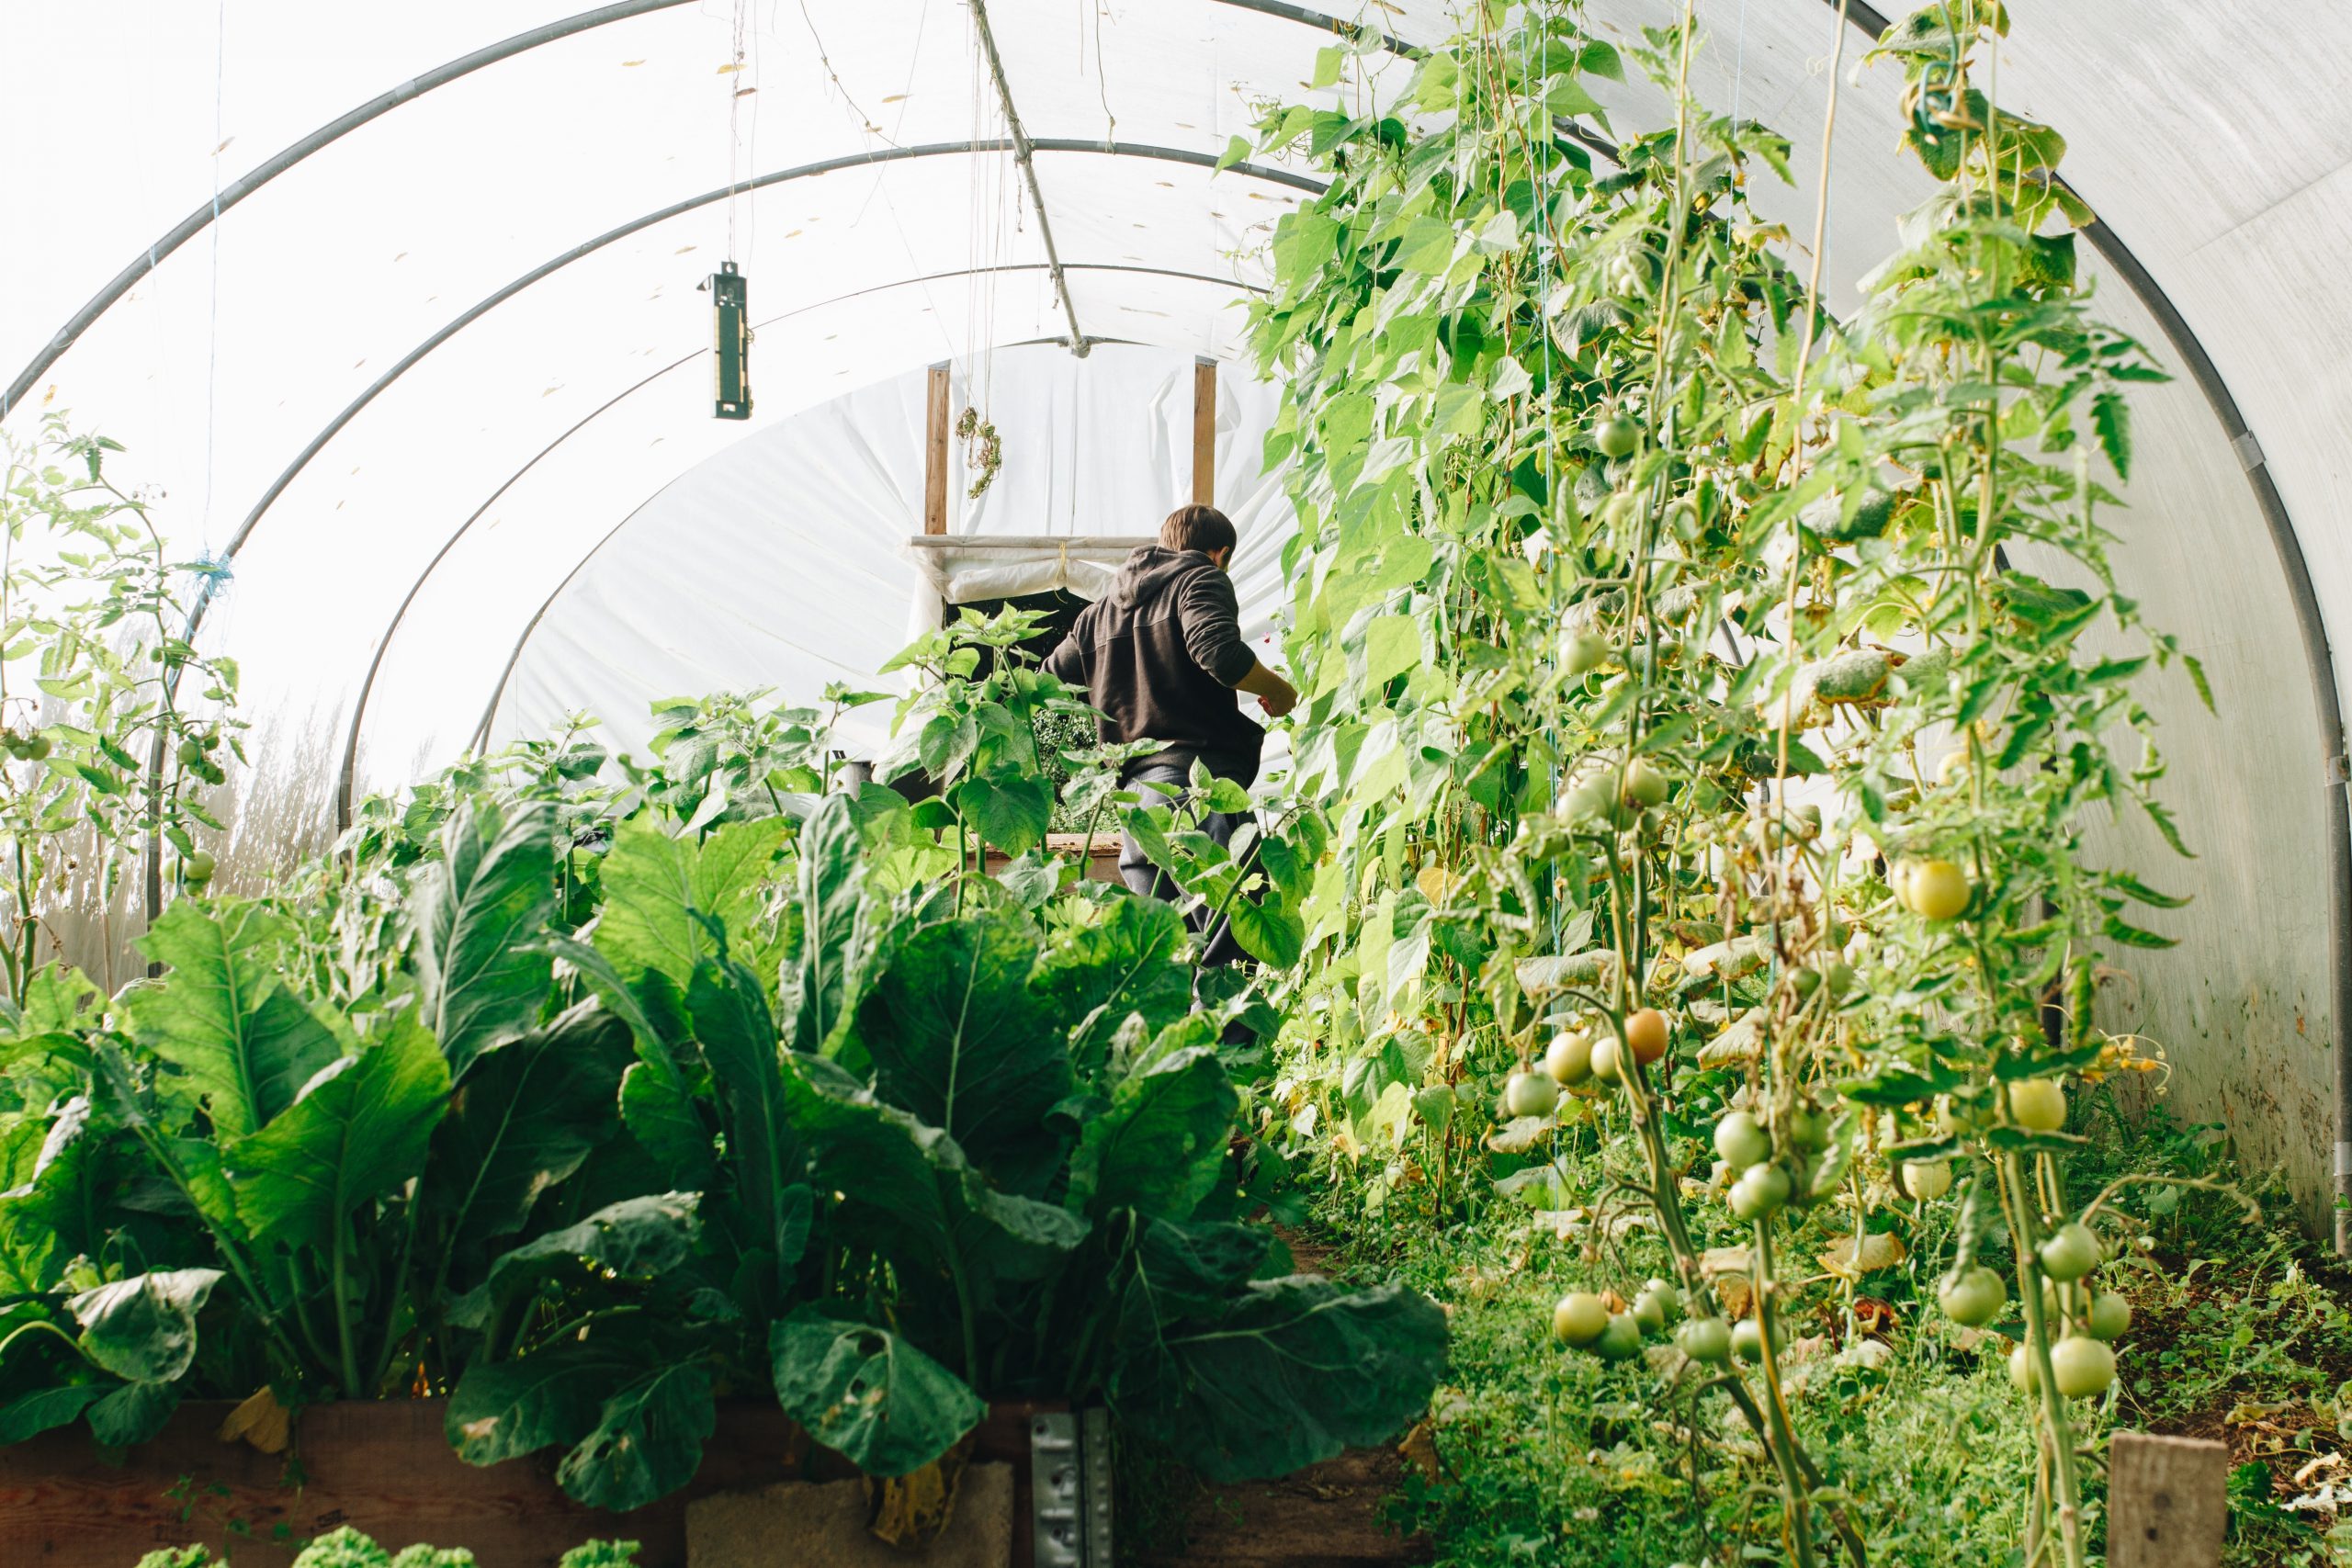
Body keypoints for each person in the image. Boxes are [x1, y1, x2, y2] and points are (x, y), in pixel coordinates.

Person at [1044, 504, 1298, 956]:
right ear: (1218, 554)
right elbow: (1217, 652)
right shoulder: (1199, 578)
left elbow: (1045, 682)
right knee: (1233, 944)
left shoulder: (1099, 613)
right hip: (1195, 794)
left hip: (1135, 809)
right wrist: (1277, 691)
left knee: (1167, 957)